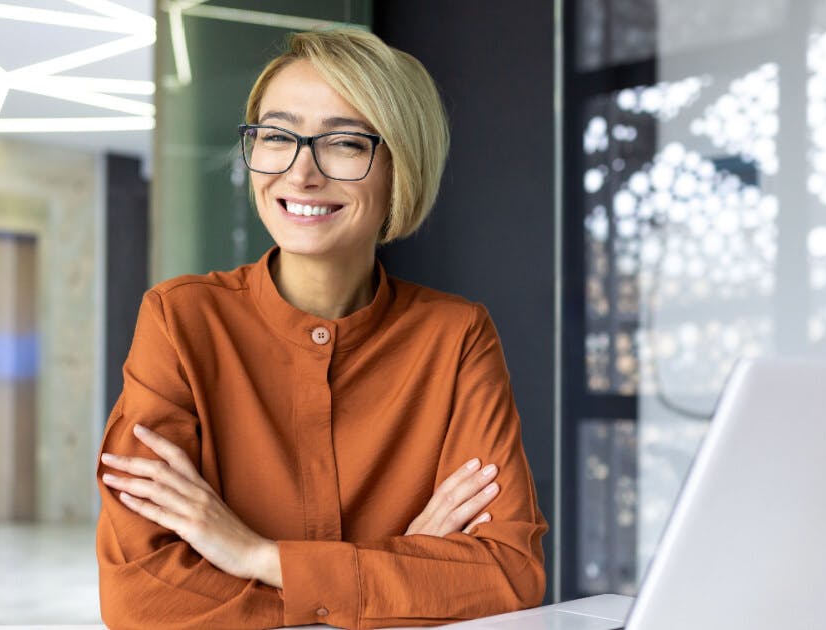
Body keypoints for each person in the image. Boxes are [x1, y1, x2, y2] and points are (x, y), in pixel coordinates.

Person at [96, 29, 547, 629]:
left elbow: (509, 576)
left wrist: (258, 556)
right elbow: (141, 596)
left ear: (401, 163)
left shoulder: (457, 336)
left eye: (342, 143)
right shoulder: (180, 320)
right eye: (277, 136)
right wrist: (395, 577)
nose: (300, 173)